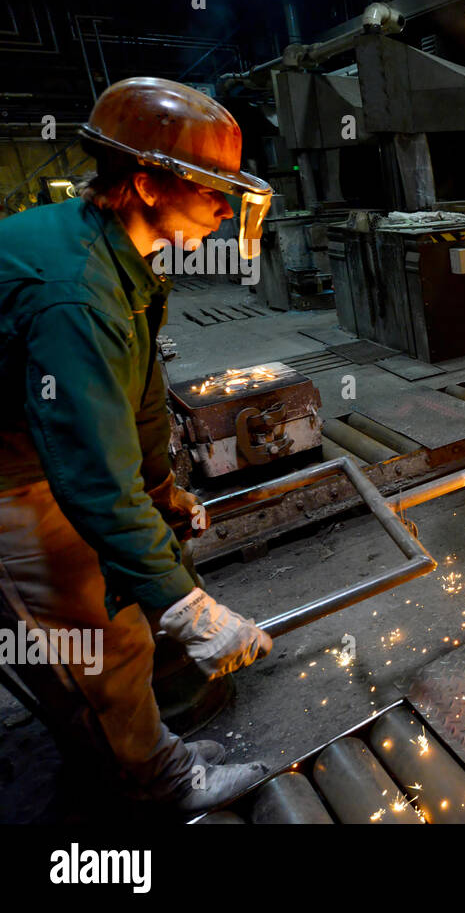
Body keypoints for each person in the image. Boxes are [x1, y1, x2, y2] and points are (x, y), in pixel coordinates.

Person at [0, 77, 274, 812]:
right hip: (11, 472)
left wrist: (161, 493)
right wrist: (188, 607)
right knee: (98, 639)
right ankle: (150, 782)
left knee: (124, 596)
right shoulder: (77, 292)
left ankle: (149, 748)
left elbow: (138, 396)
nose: (225, 207)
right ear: (148, 184)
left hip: (39, 440)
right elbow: (92, 476)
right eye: (211, 188)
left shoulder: (124, 252)